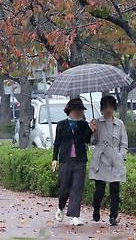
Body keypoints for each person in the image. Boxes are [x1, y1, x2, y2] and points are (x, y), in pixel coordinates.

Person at [51, 97, 94, 226]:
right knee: (64, 187)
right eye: (77, 110)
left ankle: (74, 216)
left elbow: (87, 140)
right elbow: (57, 142)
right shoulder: (61, 124)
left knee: (77, 187)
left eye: (81, 110)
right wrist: (54, 158)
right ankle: (61, 207)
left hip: (80, 160)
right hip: (65, 159)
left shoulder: (83, 125)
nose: (79, 113)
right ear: (70, 110)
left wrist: (91, 129)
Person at [89, 94, 128, 226]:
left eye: (110, 106)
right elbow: (93, 141)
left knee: (115, 190)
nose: (108, 109)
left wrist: (121, 156)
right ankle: (96, 209)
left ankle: (113, 217)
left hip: (115, 159)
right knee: (99, 190)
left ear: (114, 107)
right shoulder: (97, 122)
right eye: (105, 106)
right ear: (101, 108)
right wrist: (92, 130)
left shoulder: (119, 124)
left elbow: (124, 143)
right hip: (101, 159)